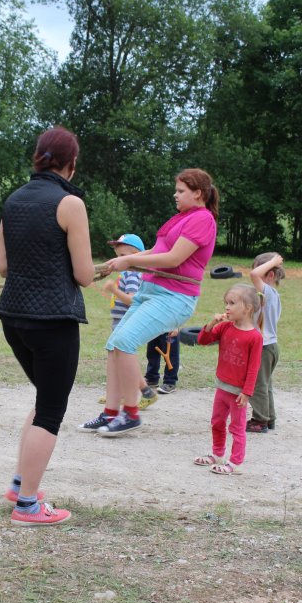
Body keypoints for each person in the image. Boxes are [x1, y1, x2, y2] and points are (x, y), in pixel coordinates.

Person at [0, 126, 95, 526]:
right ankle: (27, 506)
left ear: (39, 157)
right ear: (72, 163)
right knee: (51, 410)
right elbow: (85, 275)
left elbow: (3, 266)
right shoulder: (71, 203)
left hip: (13, 318)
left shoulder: (13, 199)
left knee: (43, 400)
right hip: (53, 321)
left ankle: (20, 485)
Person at [78, 168, 218, 436]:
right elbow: (156, 251)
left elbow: (174, 259)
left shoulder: (202, 219)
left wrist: (130, 260)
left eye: (181, 191)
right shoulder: (181, 218)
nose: (175, 195)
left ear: (198, 193)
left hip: (174, 297)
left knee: (124, 342)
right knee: (113, 346)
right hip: (151, 292)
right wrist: (120, 262)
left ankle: (131, 414)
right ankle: (110, 413)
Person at [80, 233, 156, 431]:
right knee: (116, 355)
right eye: (117, 254)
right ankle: (126, 402)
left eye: (123, 255)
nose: (118, 258)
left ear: (137, 255)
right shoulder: (129, 272)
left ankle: (134, 399)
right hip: (120, 321)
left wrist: (114, 290)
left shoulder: (133, 274)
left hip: (125, 321)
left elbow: (133, 300)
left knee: (121, 356)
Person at [193, 284, 263, 475]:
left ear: (247, 308)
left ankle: (235, 462)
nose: (227, 307)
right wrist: (211, 324)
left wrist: (247, 392)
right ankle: (217, 454)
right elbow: (202, 340)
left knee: (236, 427)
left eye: (232, 303)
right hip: (222, 387)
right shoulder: (224, 327)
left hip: (238, 393)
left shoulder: (255, 337)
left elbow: (254, 368)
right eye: (226, 303)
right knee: (217, 422)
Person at [247, 252, 285, 433]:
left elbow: (254, 275)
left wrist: (274, 261)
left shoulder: (268, 292)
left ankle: (260, 420)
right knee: (266, 383)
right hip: (270, 346)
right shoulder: (271, 294)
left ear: (270, 274)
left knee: (258, 384)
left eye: (260, 270)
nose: (255, 276)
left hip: (264, 347)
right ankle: (269, 418)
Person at [145, 329, 180, 394]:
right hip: (154, 328)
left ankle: (170, 382)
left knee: (171, 355)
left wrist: (175, 327)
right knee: (151, 353)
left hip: (169, 328)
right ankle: (152, 379)